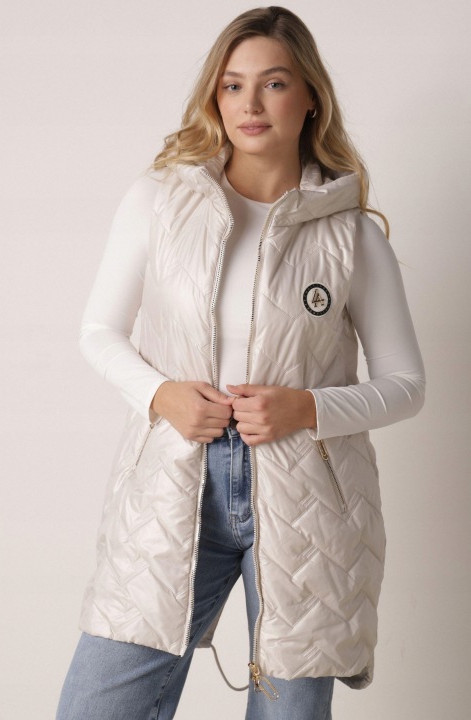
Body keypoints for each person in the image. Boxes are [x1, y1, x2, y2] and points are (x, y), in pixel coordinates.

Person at [56, 6, 425, 719]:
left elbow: (406, 384)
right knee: (96, 706)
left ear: (309, 96)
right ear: (214, 97)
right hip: (173, 484)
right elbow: (99, 331)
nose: (250, 104)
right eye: (232, 85)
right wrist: (161, 393)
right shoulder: (159, 201)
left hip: (309, 503)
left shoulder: (350, 234)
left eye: (273, 83)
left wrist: (309, 407)